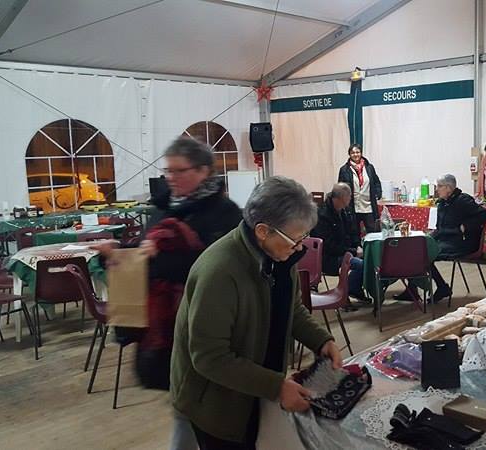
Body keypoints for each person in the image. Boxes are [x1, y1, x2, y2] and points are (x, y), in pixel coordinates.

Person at [170, 176, 342, 449]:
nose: (299, 247)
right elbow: (209, 357)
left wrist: (321, 340)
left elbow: (291, 309)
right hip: (217, 402)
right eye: (295, 239)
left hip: (254, 385)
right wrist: (276, 386)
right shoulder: (220, 272)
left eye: (304, 238)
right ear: (263, 231)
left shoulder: (280, 257)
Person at [104, 137, 242, 450]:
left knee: (194, 403)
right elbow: (144, 255)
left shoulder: (225, 213)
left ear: (203, 171)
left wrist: (159, 258)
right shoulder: (163, 207)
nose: (171, 177)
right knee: (186, 402)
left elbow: (219, 267)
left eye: (179, 170)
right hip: (164, 327)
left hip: (203, 324)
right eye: (168, 170)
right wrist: (118, 253)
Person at [395, 174, 486, 303]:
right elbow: (440, 229)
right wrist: (427, 238)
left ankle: (442, 287)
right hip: (447, 240)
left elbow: (484, 214)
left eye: (439, 186)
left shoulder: (463, 200)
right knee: (418, 248)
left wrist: (466, 226)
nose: (436, 189)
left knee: (425, 254)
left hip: (462, 242)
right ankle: (413, 291)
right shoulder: (442, 203)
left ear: (449, 188)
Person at [311, 183, 365, 299]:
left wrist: (358, 245)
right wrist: (353, 252)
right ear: (342, 198)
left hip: (346, 252)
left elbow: (353, 232)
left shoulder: (345, 210)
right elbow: (328, 246)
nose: (351, 198)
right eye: (349, 196)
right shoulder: (322, 215)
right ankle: (349, 290)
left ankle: (356, 289)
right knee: (361, 265)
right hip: (329, 258)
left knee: (370, 260)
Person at [337, 143, 382, 233]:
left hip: (368, 206)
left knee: (373, 232)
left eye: (357, 152)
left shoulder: (369, 167)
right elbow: (340, 187)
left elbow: (376, 182)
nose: (355, 154)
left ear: (361, 153)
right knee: (353, 233)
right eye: (352, 153)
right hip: (353, 207)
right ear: (349, 154)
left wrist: (378, 194)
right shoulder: (344, 169)